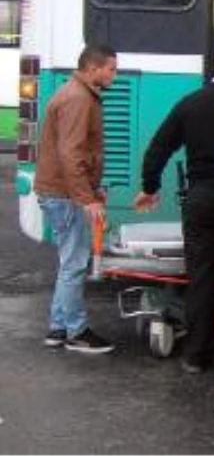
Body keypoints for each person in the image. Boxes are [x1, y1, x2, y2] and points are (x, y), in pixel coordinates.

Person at [133, 46, 214, 373]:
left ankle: (196, 355)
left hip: (200, 197)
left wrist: (150, 186)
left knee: (201, 276)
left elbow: (159, 146)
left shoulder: (190, 102)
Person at [35, 44, 119, 354]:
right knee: (74, 265)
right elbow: (71, 153)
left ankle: (58, 328)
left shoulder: (75, 94)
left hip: (60, 192)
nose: (115, 74)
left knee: (68, 263)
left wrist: (92, 190)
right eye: (111, 68)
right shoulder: (78, 99)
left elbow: (77, 154)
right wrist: (88, 199)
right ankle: (76, 332)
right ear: (93, 68)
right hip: (65, 195)